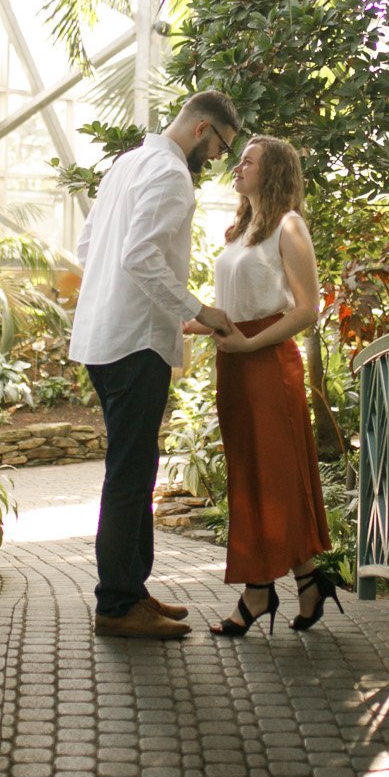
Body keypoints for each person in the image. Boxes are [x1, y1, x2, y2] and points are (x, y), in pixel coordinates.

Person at [70, 92, 241, 640]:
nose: (216, 159)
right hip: (135, 343)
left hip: (101, 336)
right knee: (129, 473)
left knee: (135, 467)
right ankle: (117, 604)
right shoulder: (171, 175)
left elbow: (87, 245)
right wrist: (200, 310)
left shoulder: (125, 164)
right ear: (201, 129)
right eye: (219, 146)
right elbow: (139, 256)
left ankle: (133, 590)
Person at [187, 135, 340, 637]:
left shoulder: (288, 226)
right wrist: (199, 324)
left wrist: (251, 345)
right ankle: (309, 580)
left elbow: (306, 308)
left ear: (271, 171)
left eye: (247, 161)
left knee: (272, 475)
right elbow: (235, 302)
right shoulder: (241, 229)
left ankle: (257, 591)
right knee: (251, 474)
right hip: (234, 359)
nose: (237, 166)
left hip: (269, 361)